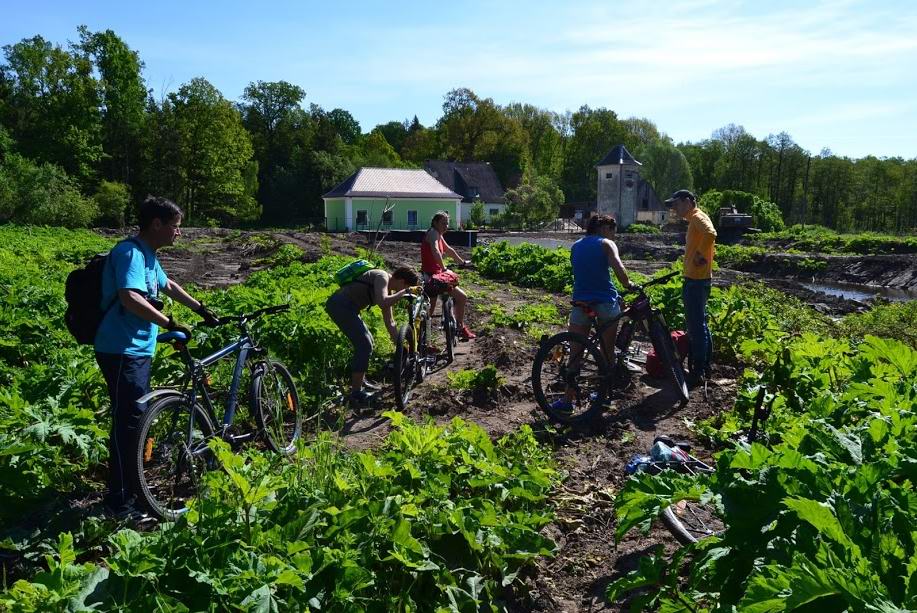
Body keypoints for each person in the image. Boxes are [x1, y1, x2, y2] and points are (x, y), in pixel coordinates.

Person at [94, 195, 219, 517]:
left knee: (136, 419)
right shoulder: (130, 253)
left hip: (137, 349)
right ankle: (119, 501)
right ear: (157, 224)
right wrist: (169, 322)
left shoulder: (149, 255)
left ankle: (133, 488)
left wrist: (201, 309)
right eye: (176, 226)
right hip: (121, 350)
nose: (179, 233)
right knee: (129, 422)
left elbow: (169, 285)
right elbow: (129, 297)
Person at [552, 214, 636, 413]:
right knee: (607, 354)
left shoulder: (576, 246)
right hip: (605, 303)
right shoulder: (606, 244)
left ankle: (567, 402)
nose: (614, 235)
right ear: (604, 227)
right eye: (613, 230)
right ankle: (604, 398)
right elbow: (619, 269)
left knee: (575, 355)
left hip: (581, 303)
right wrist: (629, 285)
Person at [325, 265, 420, 406]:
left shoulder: (388, 288)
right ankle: (356, 393)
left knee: (368, 341)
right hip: (340, 305)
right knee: (364, 344)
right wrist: (404, 293)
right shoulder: (382, 277)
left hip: (349, 308)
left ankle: (360, 382)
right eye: (406, 287)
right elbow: (382, 302)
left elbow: (390, 322)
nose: (404, 291)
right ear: (401, 281)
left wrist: (401, 349)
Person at [665, 189, 717, 385]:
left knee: (695, 325)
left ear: (688, 201)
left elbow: (711, 234)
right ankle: (704, 365)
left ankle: (698, 369)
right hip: (698, 279)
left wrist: (700, 256)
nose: (675, 208)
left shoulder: (697, 217)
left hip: (696, 281)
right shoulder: (695, 219)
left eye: (677, 204)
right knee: (700, 323)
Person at [421, 211, 475, 340]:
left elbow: (448, 250)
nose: (446, 226)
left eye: (447, 223)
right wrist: (444, 268)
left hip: (439, 276)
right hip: (430, 276)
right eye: (443, 223)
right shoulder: (433, 233)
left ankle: (460, 328)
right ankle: (424, 340)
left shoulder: (438, 234)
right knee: (430, 309)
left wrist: (462, 262)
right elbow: (435, 250)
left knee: (462, 297)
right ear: (435, 223)